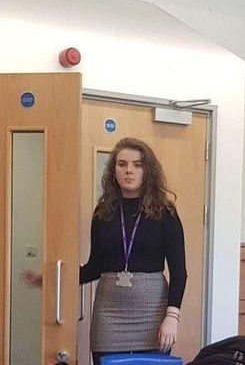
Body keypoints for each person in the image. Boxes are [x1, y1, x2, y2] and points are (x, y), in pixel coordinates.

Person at [23, 137, 187, 365]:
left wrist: (172, 317)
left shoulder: (165, 212)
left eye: (137, 165)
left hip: (152, 314)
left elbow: (179, 272)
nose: (129, 170)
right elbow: (95, 267)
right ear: (113, 170)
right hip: (109, 315)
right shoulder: (103, 212)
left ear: (147, 171)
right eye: (122, 164)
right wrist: (50, 279)